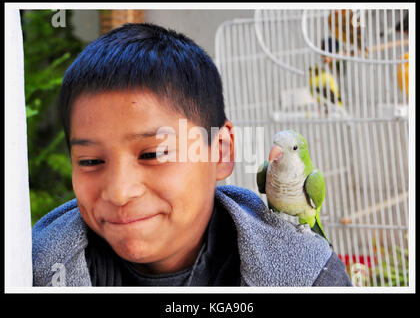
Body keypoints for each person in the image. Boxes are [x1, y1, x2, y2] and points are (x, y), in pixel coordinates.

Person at [32, 23, 352, 287]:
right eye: (90, 161)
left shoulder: (307, 273)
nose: (118, 191)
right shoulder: (36, 267)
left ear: (221, 151)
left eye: (153, 154)